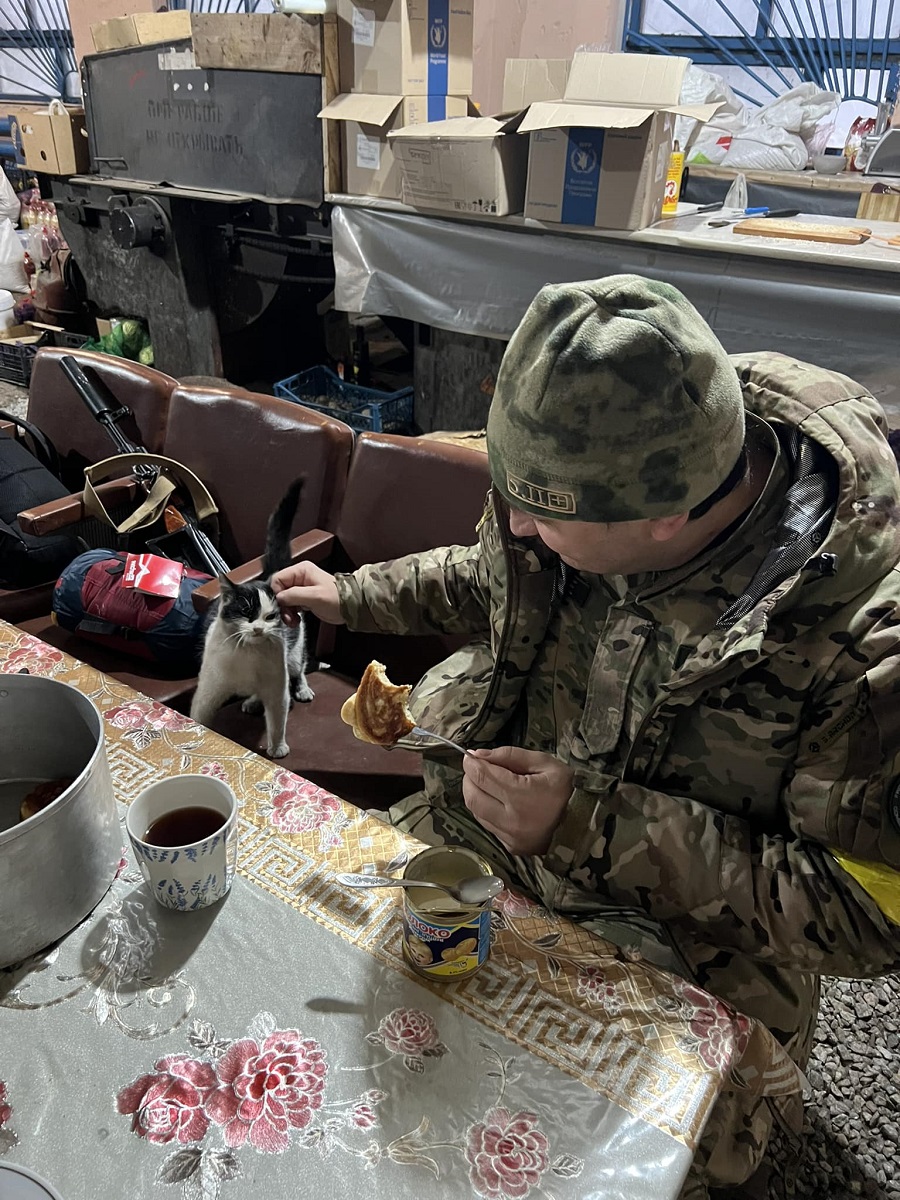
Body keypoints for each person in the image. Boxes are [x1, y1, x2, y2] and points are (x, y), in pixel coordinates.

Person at [273, 275, 900, 1197]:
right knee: (328, 975)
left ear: (667, 515)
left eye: (545, 514)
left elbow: (869, 913)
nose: (516, 525)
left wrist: (589, 824)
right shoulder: (586, 481)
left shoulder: (866, 649)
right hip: (494, 835)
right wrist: (355, 594)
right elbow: (494, 572)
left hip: (688, 938)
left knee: (585, 1158)